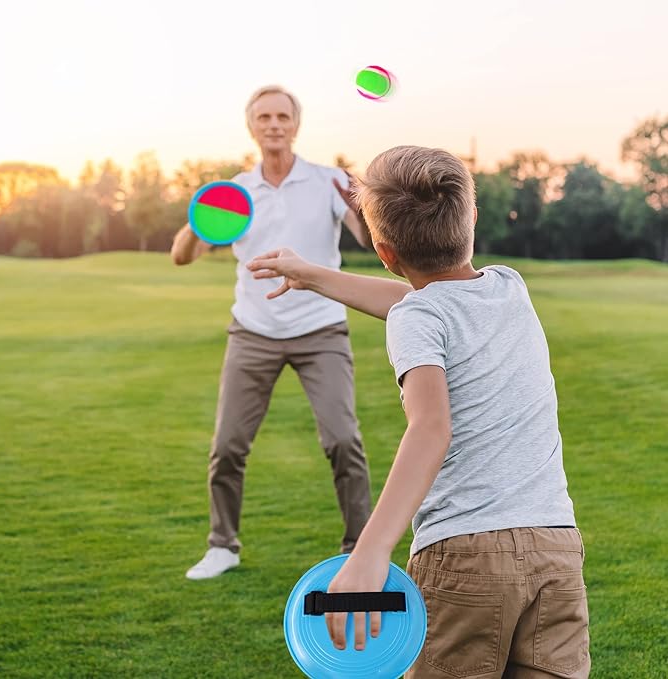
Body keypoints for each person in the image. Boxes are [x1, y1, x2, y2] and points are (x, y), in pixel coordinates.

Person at [247, 145, 590, 678]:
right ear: (471, 218)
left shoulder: (418, 317)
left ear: (384, 252)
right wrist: (313, 275)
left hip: (466, 556)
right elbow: (415, 302)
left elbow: (431, 427)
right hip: (557, 547)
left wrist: (370, 550)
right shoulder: (509, 288)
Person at [171, 85, 372, 580]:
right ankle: (223, 545)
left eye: (283, 116)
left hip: (321, 328)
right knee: (228, 446)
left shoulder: (328, 182)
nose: (274, 124)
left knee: (343, 440)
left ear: (296, 124)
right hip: (253, 332)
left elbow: (371, 239)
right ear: (252, 126)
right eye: (265, 117)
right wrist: (200, 218)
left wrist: (363, 203)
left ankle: (359, 550)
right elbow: (182, 254)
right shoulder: (235, 192)